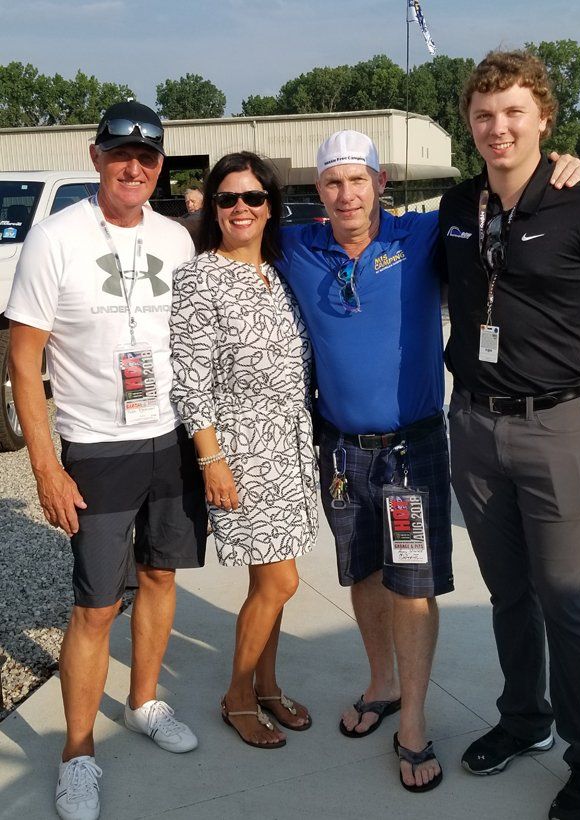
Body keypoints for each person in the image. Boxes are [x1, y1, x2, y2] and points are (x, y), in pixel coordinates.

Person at [275, 129, 580, 793]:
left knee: (410, 584)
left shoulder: (419, 236)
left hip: (409, 448)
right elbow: (217, 226)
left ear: (379, 182)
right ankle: (381, 683)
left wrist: (561, 164)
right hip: (338, 447)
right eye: (332, 182)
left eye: (356, 179)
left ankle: (412, 723)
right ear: (318, 191)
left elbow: (503, 195)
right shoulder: (297, 245)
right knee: (361, 572)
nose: (345, 193)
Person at [6, 101, 207, 820]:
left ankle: (146, 701)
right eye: (121, 153)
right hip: (95, 444)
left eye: (147, 157)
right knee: (94, 606)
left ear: (159, 166)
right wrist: (45, 467)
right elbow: (24, 363)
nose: (134, 166)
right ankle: (78, 753)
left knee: (159, 574)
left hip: (169, 438)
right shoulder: (55, 239)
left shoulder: (175, 240)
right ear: (97, 157)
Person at [440, 50, 580, 820]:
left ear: (543, 117)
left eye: (513, 112)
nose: (497, 127)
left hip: (556, 426)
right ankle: (524, 719)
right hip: (473, 426)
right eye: (483, 115)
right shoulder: (454, 207)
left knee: (565, 597)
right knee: (507, 591)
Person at [170, 151, 318, 749]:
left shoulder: (279, 272)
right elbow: (189, 376)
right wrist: (212, 460)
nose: (240, 209)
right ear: (212, 206)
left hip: (291, 449)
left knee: (271, 579)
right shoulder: (201, 276)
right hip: (241, 453)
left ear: (270, 207)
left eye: (252, 198)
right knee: (280, 583)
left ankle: (267, 684)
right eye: (227, 198)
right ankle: (236, 695)